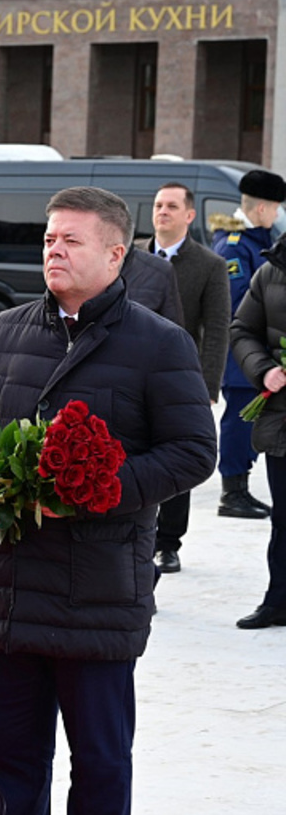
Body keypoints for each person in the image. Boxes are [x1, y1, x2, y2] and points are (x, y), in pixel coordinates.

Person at [0, 186, 214, 815]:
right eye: (50, 239)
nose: (54, 250)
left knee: (96, 753)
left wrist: (100, 490)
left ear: (116, 254)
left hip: (98, 581)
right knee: (12, 748)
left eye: (72, 241)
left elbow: (194, 452)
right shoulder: (9, 330)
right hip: (12, 574)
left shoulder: (158, 342)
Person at [147, 182, 229, 574]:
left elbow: (217, 329)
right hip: (132, 373)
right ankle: (137, 535)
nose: (162, 211)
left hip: (182, 378)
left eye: (171, 206)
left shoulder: (209, 265)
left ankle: (168, 543)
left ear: (189, 215)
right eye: (159, 205)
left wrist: (208, 385)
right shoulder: (130, 257)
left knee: (175, 459)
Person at [211, 169, 285, 520]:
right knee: (239, 424)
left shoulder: (258, 241)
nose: (277, 215)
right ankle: (232, 491)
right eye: (275, 209)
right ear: (261, 210)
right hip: (244, 360)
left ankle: (241, 485)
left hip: (261, 361)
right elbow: (237, 303)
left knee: (251, 425)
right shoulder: (236, 245)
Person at [228, 233, 286, 628]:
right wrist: (264, 369)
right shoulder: (270, 271)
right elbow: (241, 330)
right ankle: (278, 600)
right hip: (282, 416)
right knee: (284, 517)